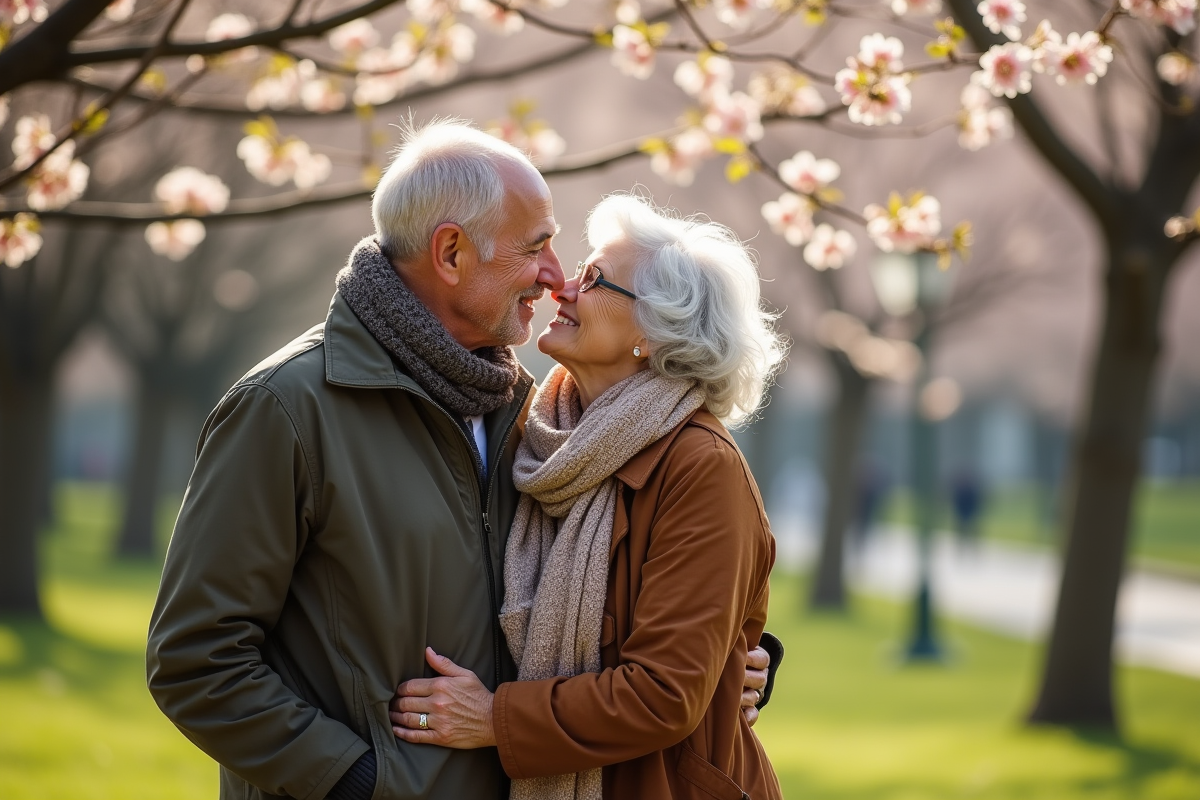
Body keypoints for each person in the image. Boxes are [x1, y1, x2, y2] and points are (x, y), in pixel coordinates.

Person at [146, 120, 772, 800]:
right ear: (451, 253)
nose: (555, 277)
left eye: (581, 267)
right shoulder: (288, 410)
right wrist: (359, 782)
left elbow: (633, 598)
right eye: (536, 248)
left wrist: (735, 660)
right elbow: (195, 660)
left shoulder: (531, 422)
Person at [390, 194, 787, 800]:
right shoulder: (533, 434)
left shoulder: (701, 467)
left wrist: (495, 718)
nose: (563, 289)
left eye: (594, 280)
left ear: (655, 332)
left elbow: (663, 693)